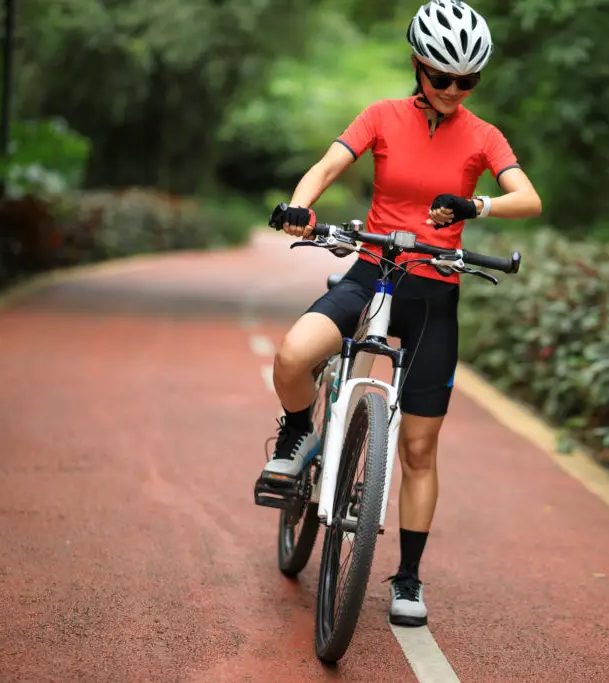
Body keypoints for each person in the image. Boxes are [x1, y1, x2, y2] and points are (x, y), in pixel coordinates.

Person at [257, 0, 542, 627]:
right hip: (372, 271)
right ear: (417, 66)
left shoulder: (483, 135)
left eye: (466, 81)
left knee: (418, 446)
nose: (451, 91)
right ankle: (298, 431)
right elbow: (329, 164)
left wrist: (475, 208)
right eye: (440, 77)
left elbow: (529, 198)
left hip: (435, 294)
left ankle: (407, 578)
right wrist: (301, 207)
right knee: (292, 356)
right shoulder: (381, 117)